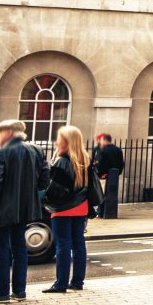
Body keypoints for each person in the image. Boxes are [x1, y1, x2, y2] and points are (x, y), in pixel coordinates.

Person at [0, 120, 45, 302]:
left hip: (2, 209)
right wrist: (31, 193)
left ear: (8, 133)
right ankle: (20, 290)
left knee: (1, 249)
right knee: (19, 248)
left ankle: (1, 292)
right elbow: (44, 179)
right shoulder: (36, 151)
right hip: (26, 208)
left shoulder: (2, 152)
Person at [43, 125, 98, 293]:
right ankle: (77, 281)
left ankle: (60, 284)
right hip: (81, 207)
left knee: (63, 245)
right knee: (78, 244)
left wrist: (44, 198)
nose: (56, 141)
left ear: (66, 141)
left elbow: (55, 191)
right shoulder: (85, 159)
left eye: (59, 138)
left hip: (63, 209)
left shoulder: (61, 161)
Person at [88, 133, 125, 218]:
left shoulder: (102, 150)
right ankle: (106, 212)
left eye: (100, 140)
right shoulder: (118, 150)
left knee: (101, 193)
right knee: (111, 194)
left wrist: (97, 173)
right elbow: (121, 163)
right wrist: (118, 172)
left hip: (103, 175)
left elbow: (98, 163)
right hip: (114, 175)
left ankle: (100, 212)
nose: (99, 142)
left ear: (104, 140)